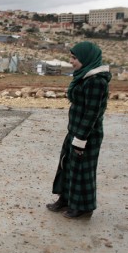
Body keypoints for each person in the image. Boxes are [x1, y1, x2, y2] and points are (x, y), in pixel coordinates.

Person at [46, 41, 111, 219]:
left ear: (86, 58)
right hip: (75, 130)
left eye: (74, 58)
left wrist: (80, 140)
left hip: (86, 134)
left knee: (82, 170)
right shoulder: (84, 77)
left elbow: (92, 113)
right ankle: (66, 198)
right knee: (67, 164)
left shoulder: (96, 81)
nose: (71, 61)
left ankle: (83, 206)